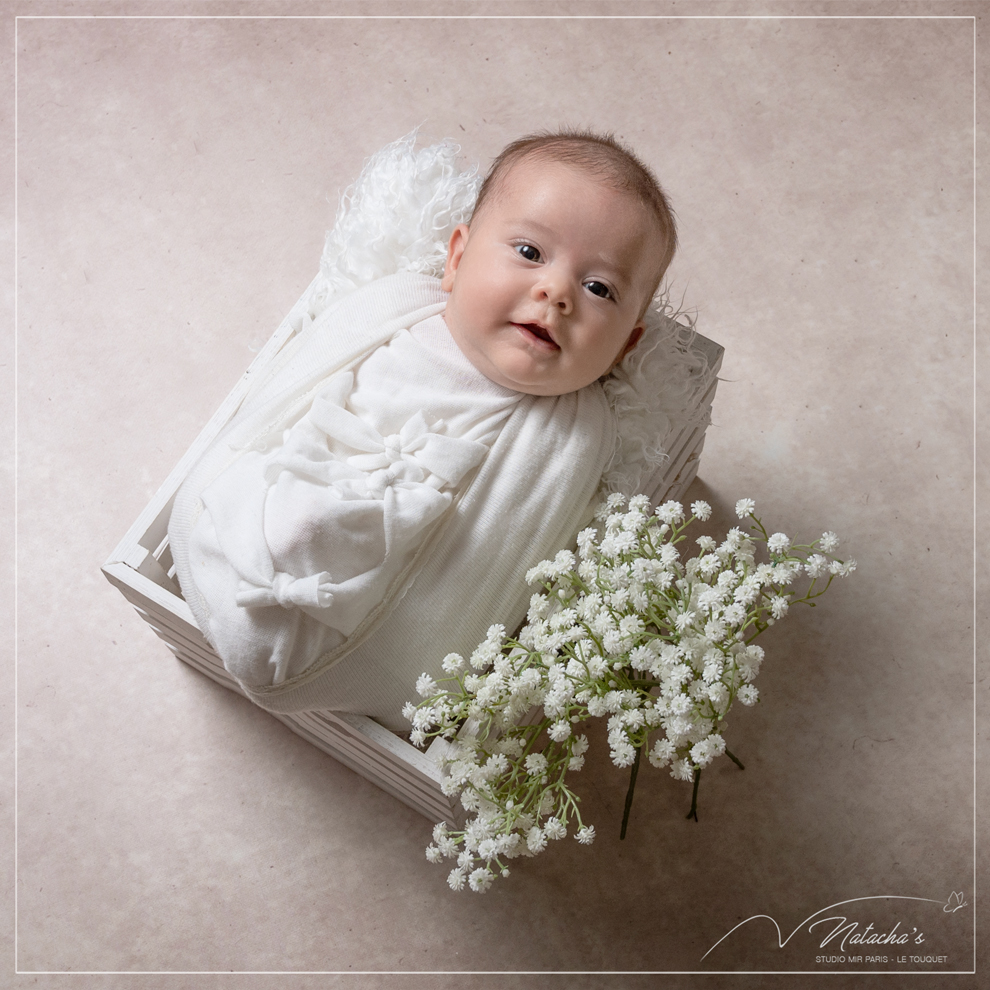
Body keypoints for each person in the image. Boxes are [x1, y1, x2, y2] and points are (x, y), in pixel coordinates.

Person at [168, 130, 679, 729]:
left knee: (335, 535)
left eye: (600, 288)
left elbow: (501, 557)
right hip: (237, 548)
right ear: (457, 258)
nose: (556, 292)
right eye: (530, 253)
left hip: (374, 647)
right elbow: (284, 397)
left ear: (626, 345)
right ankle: (288, 539)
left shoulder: (577, 434)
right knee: (291, 514)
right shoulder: (394, 309)